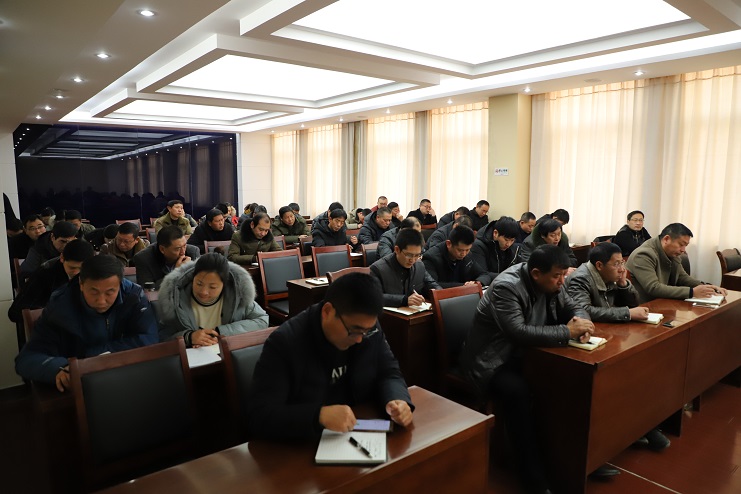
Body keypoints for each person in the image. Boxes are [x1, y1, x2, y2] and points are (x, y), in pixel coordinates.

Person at [459, 245, 595, 493]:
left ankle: (573, 462)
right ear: (536, 274)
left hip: (527, 355)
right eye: (557, 276)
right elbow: (518, 332)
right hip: (492, 361)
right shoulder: (507, 287)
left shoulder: (553, 281)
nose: (562, 281)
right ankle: (532, 477)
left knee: (566, 381)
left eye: (564, 275)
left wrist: (581, 321)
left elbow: (573, 305)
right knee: (519, 393)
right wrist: (567, 331)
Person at [246, 272, 414, 440]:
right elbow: (260, 415)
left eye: (366, 331)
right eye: (353, 331)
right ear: (327, 311)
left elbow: (389, 371)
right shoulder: (285, 342)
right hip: (306, 442)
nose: (359, 339)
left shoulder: (367, 327)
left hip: (359, 429)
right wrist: (318, 416)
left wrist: (397, 399)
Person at [566, 242, 673, 452]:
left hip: (611, 334)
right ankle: (635, 430)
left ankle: (642, 426)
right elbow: (585, 310)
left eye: (622, 263)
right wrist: (626, 313)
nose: (621, 268)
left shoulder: (612, 275)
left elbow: (634, 304)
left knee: (643, 369)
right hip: (590, 340)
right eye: (616, 264)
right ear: (599, 265)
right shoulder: (581, 278)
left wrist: (624, 284)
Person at [15, 255, 159, 392]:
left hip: (126, 377)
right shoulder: (59, 308)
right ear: (81, 284)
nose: (101, 301)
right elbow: (27, 358)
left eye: (109, 293)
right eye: (94, 292)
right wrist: (62, 368)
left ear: (120, 284)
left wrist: (91, 359)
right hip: (82, 385)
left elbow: (148, 339)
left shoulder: (133, 296)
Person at [158, 253, 269, 347]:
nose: (204, 292)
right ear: (192, 278)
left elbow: (262, 320)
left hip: (229, 354)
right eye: (199, 284)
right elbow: (162, 337)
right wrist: (188, 337)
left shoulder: (237, 295)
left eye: (212, 287)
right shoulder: (175, 299)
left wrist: (221, 332)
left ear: (224, 284)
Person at [626, 223, 725, 304]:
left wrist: (707, 287)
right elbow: (654, 288)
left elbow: (682, 277)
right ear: (666, 239)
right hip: (647, 307)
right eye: (681, 244)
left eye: (685, 246)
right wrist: (692, 292)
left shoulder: (672, 253)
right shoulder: (643, 255)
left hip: (664, 302)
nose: (683, 250)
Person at [8, 239, 95, 323]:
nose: (77, 273)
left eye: (82, 268)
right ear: (62, 258)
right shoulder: (45, 274)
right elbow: (15, 312)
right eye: (72, 268)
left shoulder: (95, 271)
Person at [370, 229, 441, 307]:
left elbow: (432, 285)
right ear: (397, 249)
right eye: (409, 255)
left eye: (417, 255)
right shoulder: (378, 269)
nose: (412, 260)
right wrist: (404, 300)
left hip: (416, 311)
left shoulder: (419, 265)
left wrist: (438, 295)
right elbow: (374, 297)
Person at [422, 225, 492, 287]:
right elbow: (432, 285)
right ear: (449, 244)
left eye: (467, 250)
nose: (464, 254)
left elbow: (484, 275)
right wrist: (465, 286)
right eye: (460, 250)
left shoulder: (468, 255)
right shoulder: (431, 258)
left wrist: (477, 283)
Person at [134, 225, 200, 289]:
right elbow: (148, 289)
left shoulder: (193, 252)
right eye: (178, 249)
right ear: (162, 249)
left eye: (185, 245)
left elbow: (199, 283)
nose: (183, 252)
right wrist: (176, 272)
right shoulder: (143, 258)